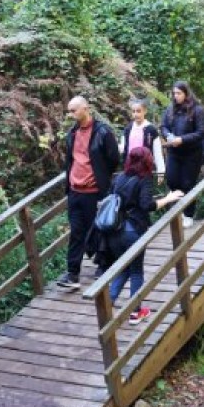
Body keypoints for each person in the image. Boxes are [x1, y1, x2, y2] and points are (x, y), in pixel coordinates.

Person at [101, 147, 183, 323]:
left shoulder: (120, 177)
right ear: (147, 161)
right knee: (136, 271)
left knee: (124, 268)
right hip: (132, 232)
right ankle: (136, 312)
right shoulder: (144, 179)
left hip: (115, 232)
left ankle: (110, 301)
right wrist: (168, 199)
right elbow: (147, 205)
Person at [57, 96, 120, 290]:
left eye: (73, 110)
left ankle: (103, 264)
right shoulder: (72, 133)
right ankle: (72, 273)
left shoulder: (102, 132)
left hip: (95, 191)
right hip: (75, 191)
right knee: (76, 232)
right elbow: (70, 160)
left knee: (99, 228)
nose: (71, 114)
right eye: (69, 111)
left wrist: (99, 177)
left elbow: (114, 159)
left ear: (85, 108)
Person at [160, 81, 204, 227]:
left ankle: (188, 214)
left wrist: (182, 139)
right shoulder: (170, 109)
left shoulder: (197, 110)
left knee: (187, 183)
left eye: (179, 93)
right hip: (174, 152)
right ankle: (177, 211)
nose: (176, 96)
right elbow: (163, 126)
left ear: (186, 93)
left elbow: (201, 133)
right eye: (174, 93)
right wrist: (168, 135)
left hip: (192, 153)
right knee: (172, 180)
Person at [119, 98, 165, 181]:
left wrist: (161, 171)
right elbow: (124, 147)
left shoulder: (151, 130)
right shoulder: (128, 129)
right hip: (129, 169)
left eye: (138, 111)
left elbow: (157, 152)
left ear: (145, 111)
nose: (136, 114)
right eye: (134, 111)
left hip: (145, 170)